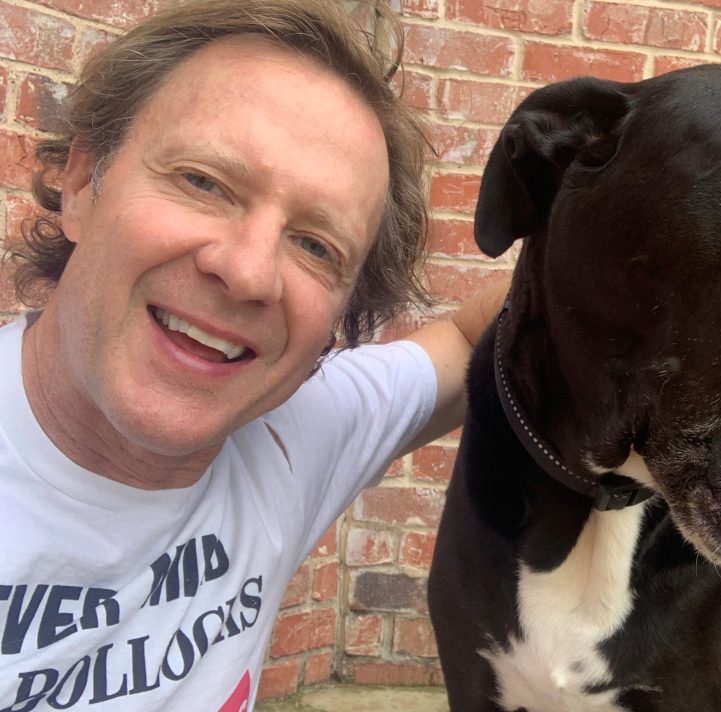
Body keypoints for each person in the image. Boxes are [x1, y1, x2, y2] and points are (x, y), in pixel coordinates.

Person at [0, 0, 506, 709]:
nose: (248, 271)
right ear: (83, 183)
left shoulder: (288, 441)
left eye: (315, 246)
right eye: (203, 182)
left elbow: (462, 338)